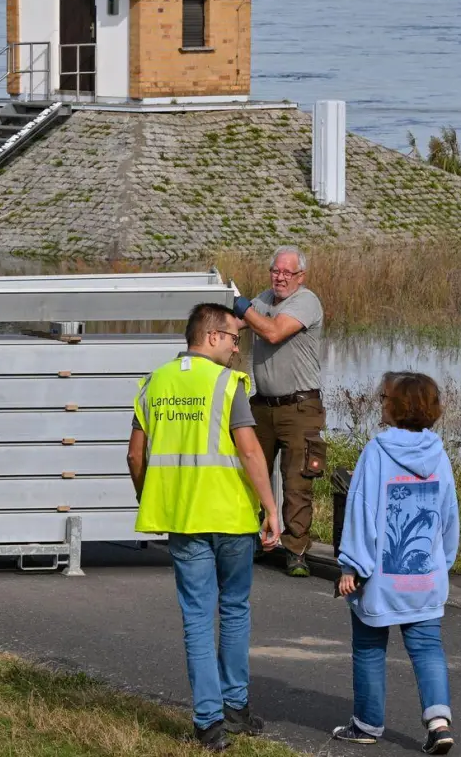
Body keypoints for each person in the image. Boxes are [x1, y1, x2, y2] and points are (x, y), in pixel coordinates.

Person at [128, 303, 284, 752]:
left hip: (182, 519)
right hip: (232, 517)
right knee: (234, 609)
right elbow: (251, 453)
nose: (238, 349)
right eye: (235, 339)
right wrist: (271, 510)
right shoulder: (226, 384)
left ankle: (209, 724)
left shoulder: (154, 383)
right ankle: (236, 708)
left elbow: (135, 456)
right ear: (211, 336)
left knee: (197, 617)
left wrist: (150, 495)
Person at [333, 372, 459, 755]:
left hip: (380, 578)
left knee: (370, 647)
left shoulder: (377, 451)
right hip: (425, 575)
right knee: (427, 649)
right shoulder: (439, 454)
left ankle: (367, 723)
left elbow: (361, 511)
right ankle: (439, 724)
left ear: (394, 406)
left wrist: (351, 566)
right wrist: (442, 563)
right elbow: (448, 516)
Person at [232, 245, 326, 577]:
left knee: (297, 480)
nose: (280, 278)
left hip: (300, 406)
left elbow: (272, 332)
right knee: (250, 473)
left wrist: (243, 308)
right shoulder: (263, 300)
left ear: (301, 276)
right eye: (276, 271)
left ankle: (296, 550)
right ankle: (253, 539)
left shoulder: (306, 301)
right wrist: (220, 313)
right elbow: (237, 323)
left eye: (287, 273)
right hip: (263, 405)